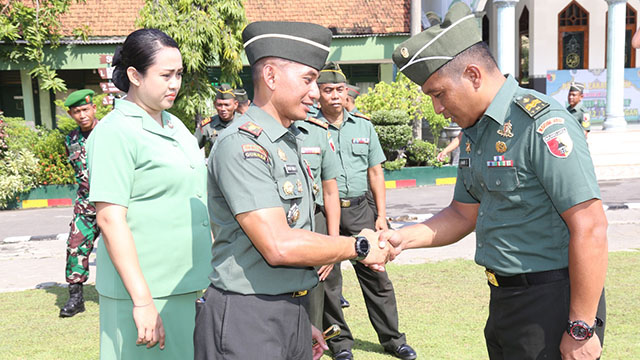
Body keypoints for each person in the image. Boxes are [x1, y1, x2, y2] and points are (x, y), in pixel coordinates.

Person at [387, 3, 607, 359]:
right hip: (506, 301)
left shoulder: (540, 123)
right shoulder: (477, 131)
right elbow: (462, 214)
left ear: (473, 75)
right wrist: (400, 238)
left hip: (553, 302)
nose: (438, 109)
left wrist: (581, 327)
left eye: (438, 93)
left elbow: (591, 225)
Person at [193, 21, 392, 360]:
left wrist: (296, 321)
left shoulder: (287, 141)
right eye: (308, 79)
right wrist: (358, 246)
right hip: (248, 317)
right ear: (270, 77)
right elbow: (278, 245)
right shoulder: (243, 145)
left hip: (289, 310)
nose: (316, 92)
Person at [86, 28, 212, 359]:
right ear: (134, 75)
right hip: (142, 292)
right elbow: (110, 218)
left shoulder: (175, 126)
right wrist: (142, 300)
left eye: (179, 74)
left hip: (183, 285)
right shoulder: (116, 132)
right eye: (166, 75)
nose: (175, 84)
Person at [314, 62, 416, 360]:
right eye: (328, 90)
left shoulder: (363, 125)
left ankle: (394, 340)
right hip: (322, 212)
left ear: (347, 92)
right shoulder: (307, 128)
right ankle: (340, 345)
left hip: (360, 209)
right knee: (328, 281)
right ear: (318, 94)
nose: (335, 96)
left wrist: (381, 215)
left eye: (340, 90)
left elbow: (376, 173)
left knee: (376, 275)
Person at [295, 114, 341, 329]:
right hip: (275, 224)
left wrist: (333, 244)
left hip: (314, 220)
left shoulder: (318, 132)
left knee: (315, 291)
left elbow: (331, 192)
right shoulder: (261, 130)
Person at [59, 89, 100, 318]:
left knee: (124, 247)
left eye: (85, 109)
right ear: (70, 114)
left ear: (93, 108)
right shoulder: (71, 139)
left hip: (114, 203)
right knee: (75, 246)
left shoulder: (109, 132)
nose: (82, 115)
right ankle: (76, 299)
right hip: (85, 205)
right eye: (77, 111)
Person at [194, 83, 238, 149]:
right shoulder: (208, 126)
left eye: (227, 105)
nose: (223, 109)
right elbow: (191, 148)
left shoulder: (244, 123)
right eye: (219, 105)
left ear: (235, 105)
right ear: (214, 104)